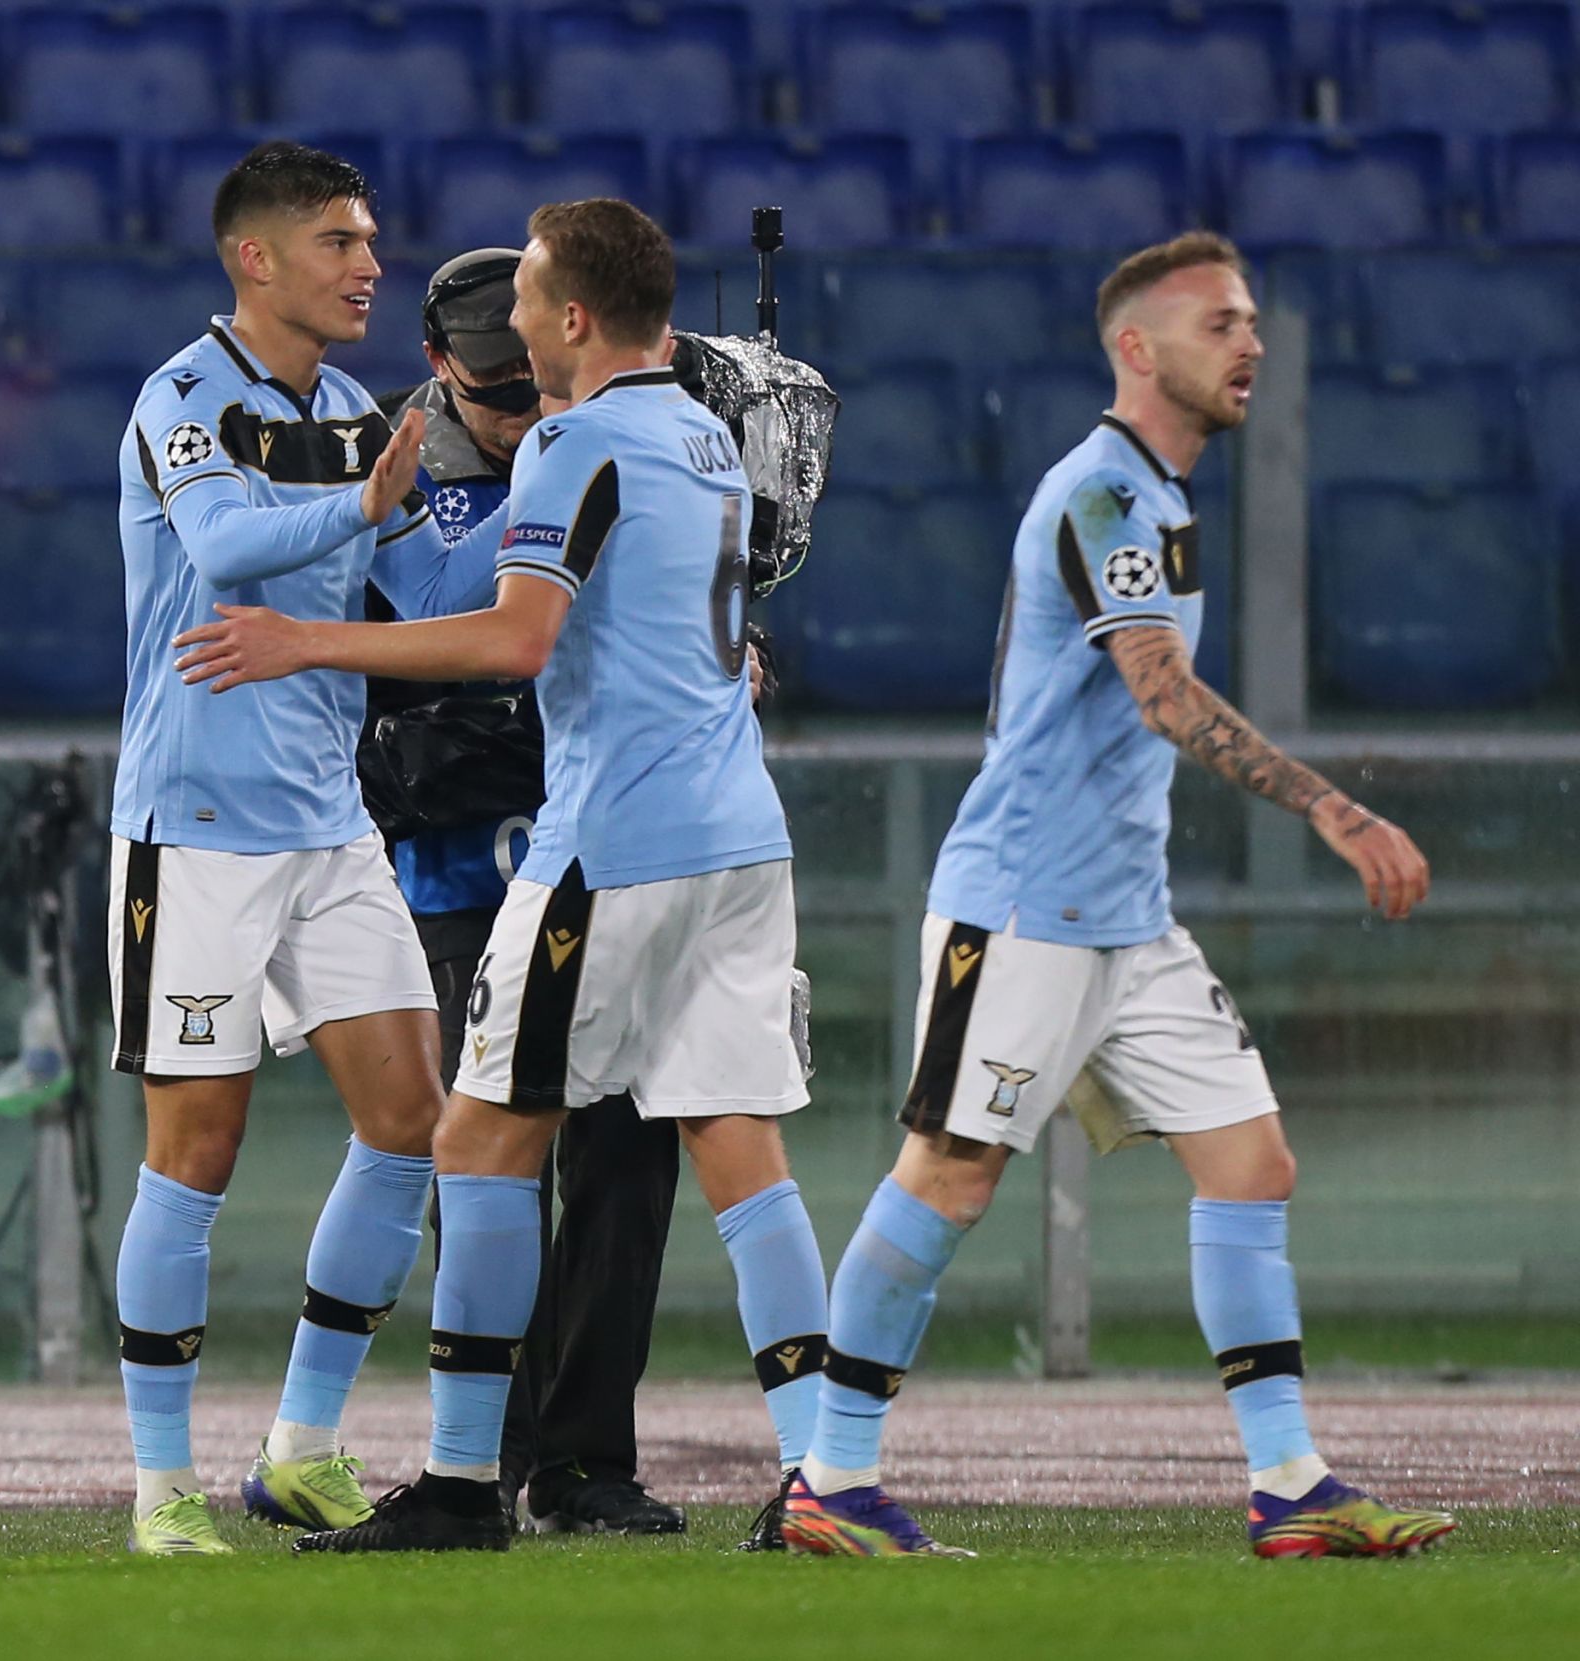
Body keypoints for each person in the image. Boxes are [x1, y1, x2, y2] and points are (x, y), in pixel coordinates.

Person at [777, 232, 1455, 1560]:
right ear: (1138, 349)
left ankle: (1290, 1487)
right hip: (1021, 909)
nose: (1250, 342)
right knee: (949, 1181)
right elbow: (1156, 689)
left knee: (1252, 1162)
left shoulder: (1162, 500)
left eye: (1255, 320)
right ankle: (831, 1481)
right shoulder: (1100, 497)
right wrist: (1332, 801)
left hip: (1126, 919)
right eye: (1220, 323)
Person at [175, 198, 831, 1556]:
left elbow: (516, 642)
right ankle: (838, 1478)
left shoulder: (572, 443)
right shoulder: (707, 436)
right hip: (739, 836)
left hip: (611, 847)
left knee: (474, 1139)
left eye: (531, 297)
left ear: (577, 317)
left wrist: (307, 644)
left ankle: (467, 1484)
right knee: (739, 1149)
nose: (516, 322)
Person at [107, 141, 497, 1557]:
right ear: (255, 257)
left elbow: (435, 587)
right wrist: (367, 500)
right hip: (195, 829)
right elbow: (220, 547)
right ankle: (161, 1489)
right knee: (194, 1151)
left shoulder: (352, 409)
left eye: (373, 240)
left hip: (332, 826)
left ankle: (302, 1446)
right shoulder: (186, 396)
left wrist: (556, 491)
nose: (371, 266)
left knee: (413, 1123)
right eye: (341, 241)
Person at [369, 250, 689, 1537]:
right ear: (441, 373)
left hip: (600, 853)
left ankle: (582, 1456)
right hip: (462, 872)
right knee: (492, 1160)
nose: (518, 414)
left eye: (531, 390)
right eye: (495, 397)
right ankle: (492, 1448)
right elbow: (417, 666)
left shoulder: (605, 455)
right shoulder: (397, 489)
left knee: (627, 1146)